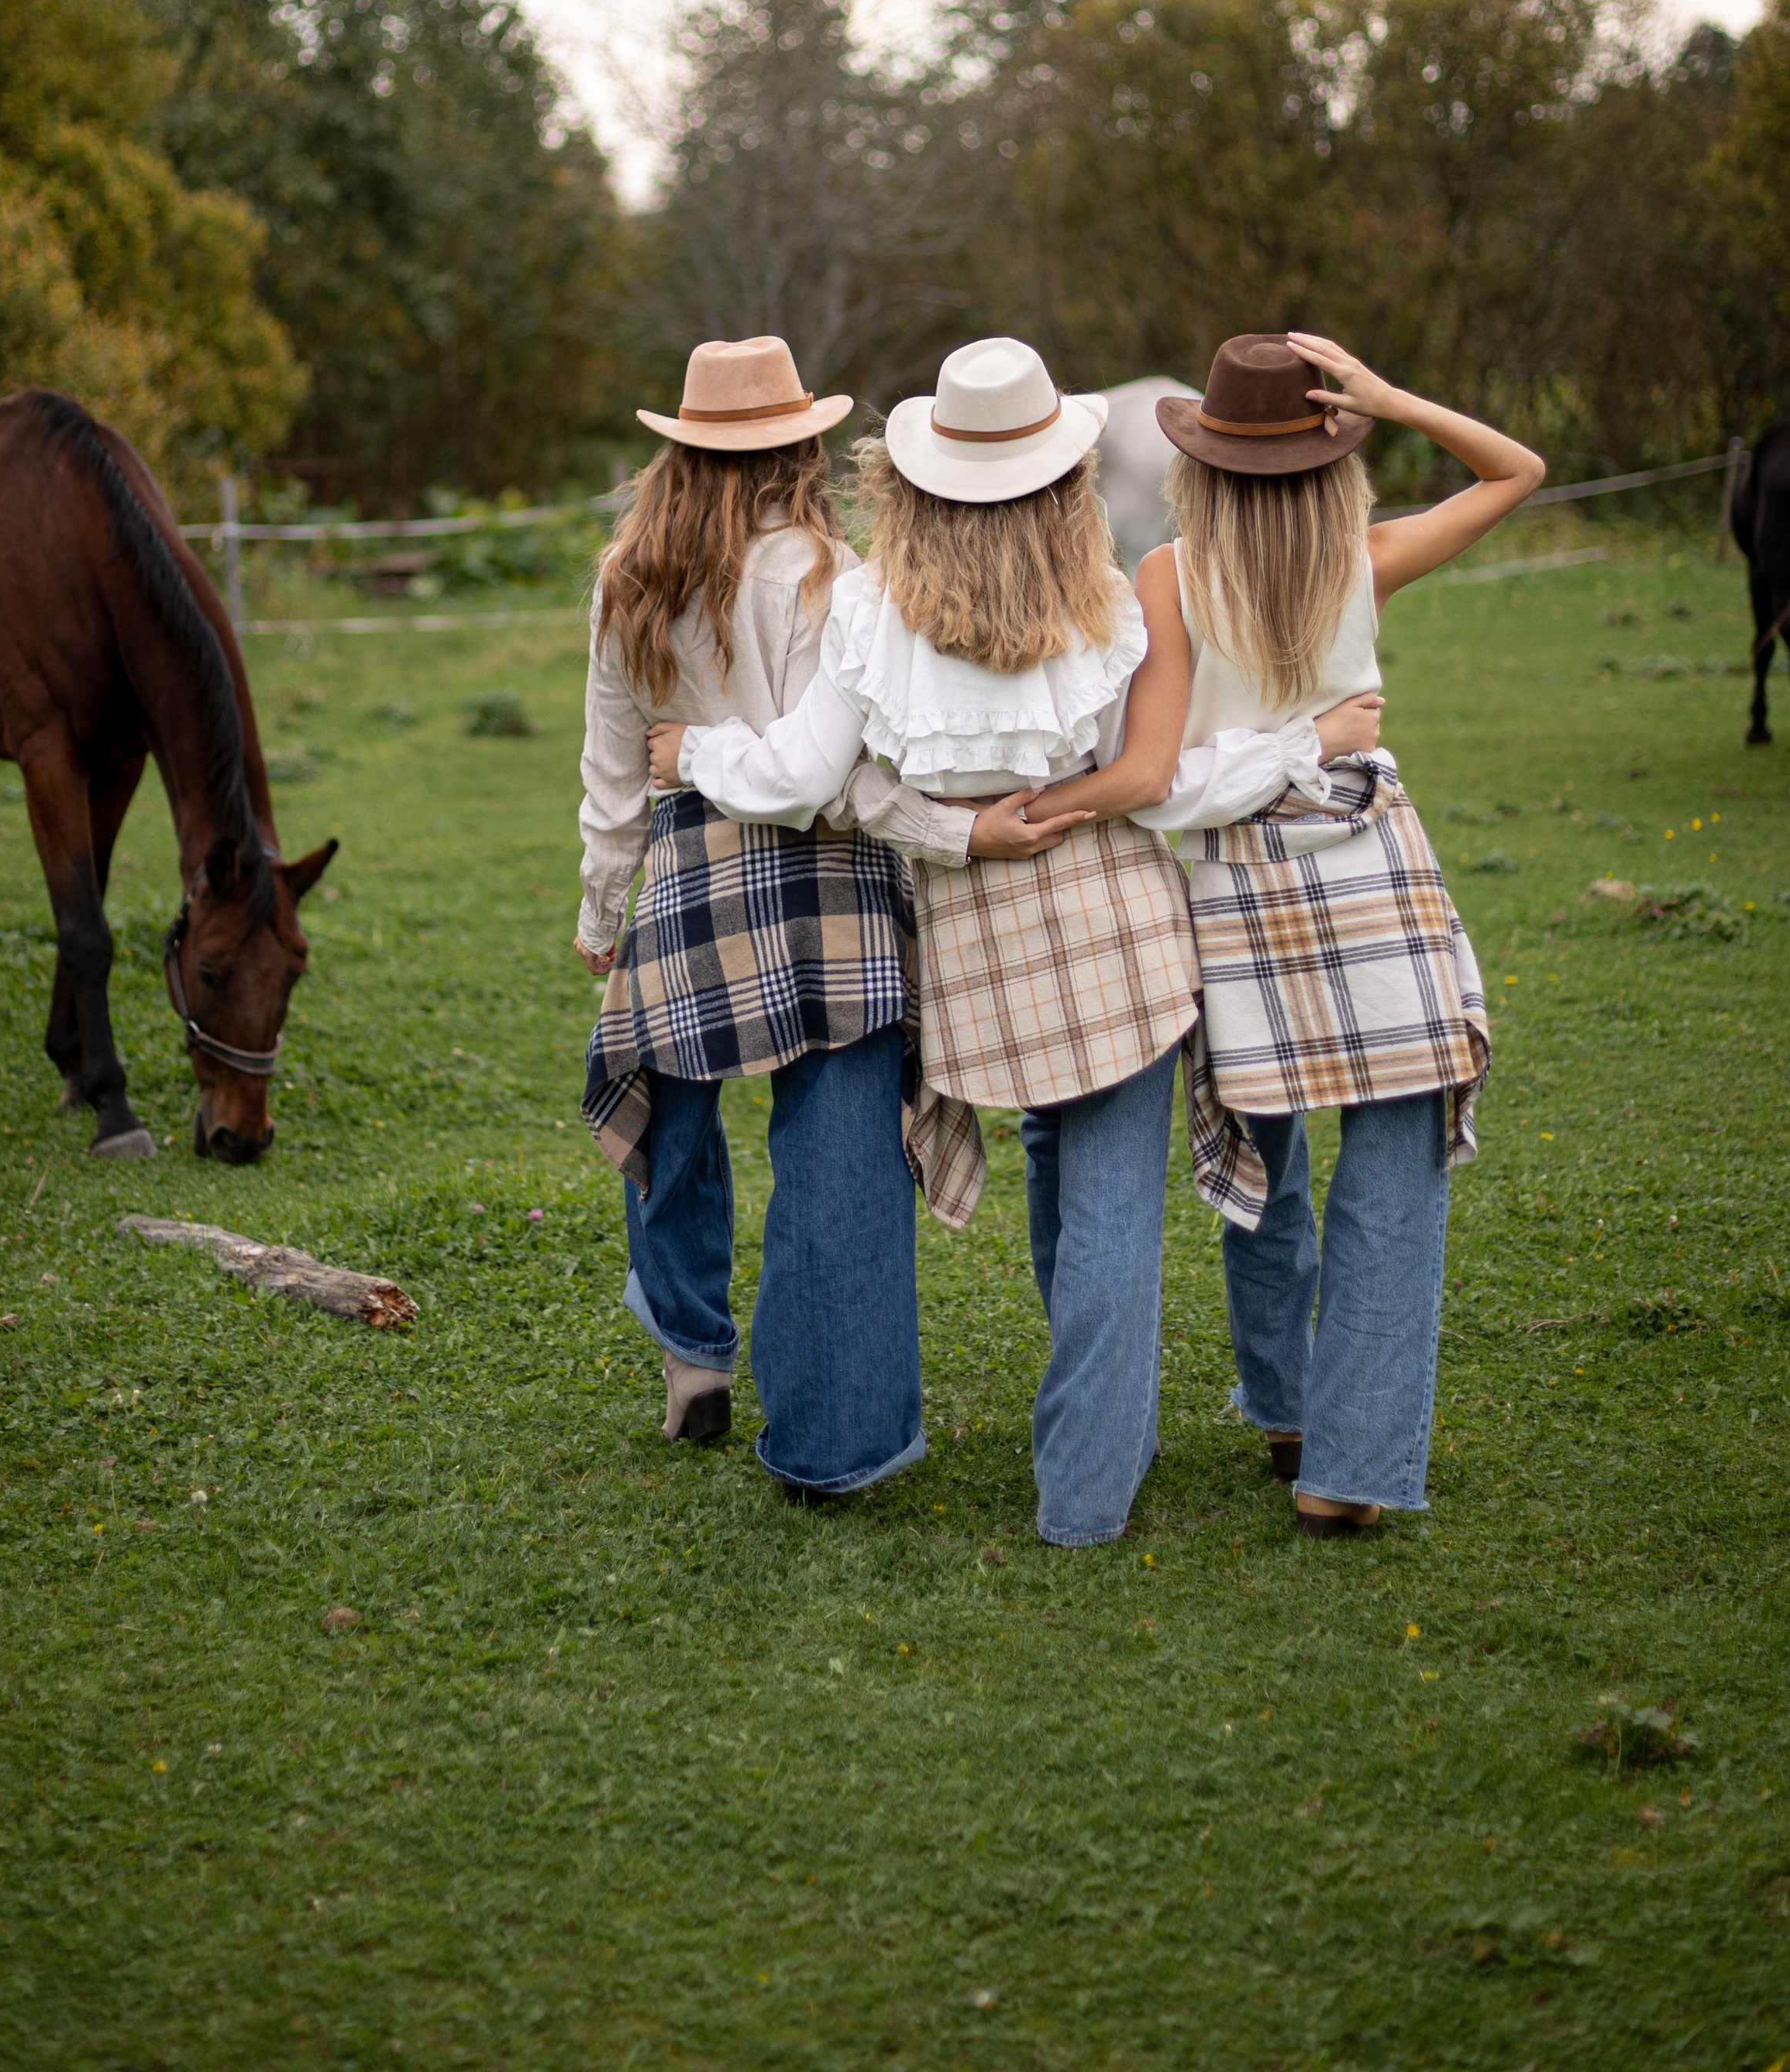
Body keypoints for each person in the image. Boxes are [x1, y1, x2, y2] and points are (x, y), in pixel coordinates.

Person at [650, 336, 1379, 1547]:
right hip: (1121, 928)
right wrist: (1292, 750)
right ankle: (1087, 1493)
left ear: (917, 483)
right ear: (1063, 480)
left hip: (976, 953)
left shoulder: (871, 610)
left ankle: (1099, 1448)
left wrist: (708, 760)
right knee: (1105, 1216)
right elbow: (1148, 781)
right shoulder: (1105, 601)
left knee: (1065, 1194)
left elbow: (819, 787)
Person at [1038, 330, 1540, 1537]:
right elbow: (1517, 471)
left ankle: (1289, 1409)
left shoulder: (1166, 576)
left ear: (1200, 465)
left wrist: (1251, 766)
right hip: (1376, 878)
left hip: (1231, 895)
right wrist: (1390, 397)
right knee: (1395, 1171)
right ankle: (1340, 1465)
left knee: (1264, 1168)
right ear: (1335, 460)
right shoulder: (1359, 563)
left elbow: (1156, 786)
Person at [577, 334, 1067, 1499]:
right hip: (838, 879)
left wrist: (605, 906)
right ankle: (833, 1442)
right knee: (837, 1152)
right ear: (803, 445)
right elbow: (845, 782)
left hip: (694, 866)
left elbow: (610, 770)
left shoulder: (627, 579)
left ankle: (692, 1353)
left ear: (681, 452)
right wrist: (956, 835)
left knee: (672, 1117)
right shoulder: (842, 578)